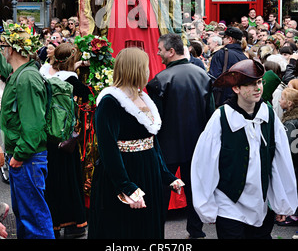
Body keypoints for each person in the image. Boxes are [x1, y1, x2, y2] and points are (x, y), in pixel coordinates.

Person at [191, 58, 298, 239]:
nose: (257, 88)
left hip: (261, 204)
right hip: (229, 205)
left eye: (258, 82)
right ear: (236, 89)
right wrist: (206, 206)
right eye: (249, 84)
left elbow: (280, 161)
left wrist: (281, 202)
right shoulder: (221, 117)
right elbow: (204, 164)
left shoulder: (268, 115)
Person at [88, 47, 184, 239]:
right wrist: (126, 188)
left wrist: (166, 175)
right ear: (135, 69)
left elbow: (152, 142)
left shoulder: (143, 97)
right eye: (145, 66)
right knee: (124, 231)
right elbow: (108, 150)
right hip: (123, 173)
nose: (149, 70)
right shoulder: (110, 102)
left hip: (149, 172)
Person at [146, 33, 214, 239]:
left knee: (161, 191)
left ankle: (156, 233)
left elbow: (155, 122)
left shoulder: (159, 81)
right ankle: (196, 231)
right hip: (197, 144)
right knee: (194, 189)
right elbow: (210, 115)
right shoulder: (204, 76)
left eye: (160, 49)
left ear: (171, 51)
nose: (158, 53)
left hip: (167, 146)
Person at [0, 21, 55, 239]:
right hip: (24, 158)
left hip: (27, 158)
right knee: (26, 217)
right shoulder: (21, 74)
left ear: (12, 48)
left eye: (4, 45)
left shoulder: (27, 77)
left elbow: (33, 126)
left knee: (34, 220)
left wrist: (19, 156)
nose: (2, 50)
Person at [40, 42, 90, 238]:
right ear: (72, 60)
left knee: (50, 180)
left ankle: (53, 222)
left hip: (47, 136)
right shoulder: (71, 79)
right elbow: (86, 95)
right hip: (66, 138)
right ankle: (74, 224)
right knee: (69, 180)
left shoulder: (43, 72)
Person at [209, 26, 247, 107]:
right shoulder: (245, 58)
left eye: (224, 38)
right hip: (240, 102)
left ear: (230, 39)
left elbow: (213, 79)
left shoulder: (221, 54)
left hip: (222, 101)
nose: (223, 40)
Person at [277, 87, 298, 226]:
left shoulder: (290, 122)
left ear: (289, 103)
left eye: (283, 99)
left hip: (293, 161)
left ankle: (293, 214)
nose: (279, 100)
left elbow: (291, 146)